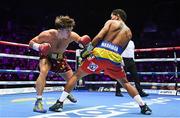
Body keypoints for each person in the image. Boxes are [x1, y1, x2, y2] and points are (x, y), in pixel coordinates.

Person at [49, 9, 152, 115]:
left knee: (76, 76)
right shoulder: (129, 33)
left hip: (99, 55)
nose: (111, 18)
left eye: (112, 16)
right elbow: (121, 50)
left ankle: (59, 103)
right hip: (115, 58)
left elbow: (99, 36)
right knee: (125, 83)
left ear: (117, 16)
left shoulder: (111, 22)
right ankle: (143, 106)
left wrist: (87, 50)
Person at [29, 15, 91, 113]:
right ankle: (38, 102)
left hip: (60, 59)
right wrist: (39, 46)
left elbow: (82, 42)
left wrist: (85, 44)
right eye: (68, 30)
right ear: (60, 29)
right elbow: (31, 42)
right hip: (47, 57)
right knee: (43, 72)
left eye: (71, 30)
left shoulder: (72, 35)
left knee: (73, 80)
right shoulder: (47, 34)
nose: (70, 33)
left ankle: (66, 93)